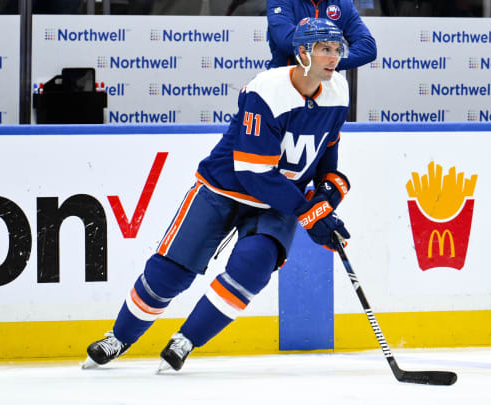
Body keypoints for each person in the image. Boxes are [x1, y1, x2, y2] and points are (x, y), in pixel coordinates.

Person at [83, 17, 353, 372]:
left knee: (253, 265)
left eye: (336, 50)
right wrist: (308, 211)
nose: (333, 58)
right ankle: (120, 336)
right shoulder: (267, 90)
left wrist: (327, 198)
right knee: (171, 272)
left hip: (278, 201)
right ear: (302, 52)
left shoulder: (339, 91)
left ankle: (186, 340)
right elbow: (254, 173)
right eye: (324, 50)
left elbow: (326, 157)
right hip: (223, 188)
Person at [266, 0, 376, 71]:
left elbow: (367, 47)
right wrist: (327, 53)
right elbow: (285, 39)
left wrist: (332, 59)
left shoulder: (343, 3)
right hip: (285, 82)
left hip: (327, 86)